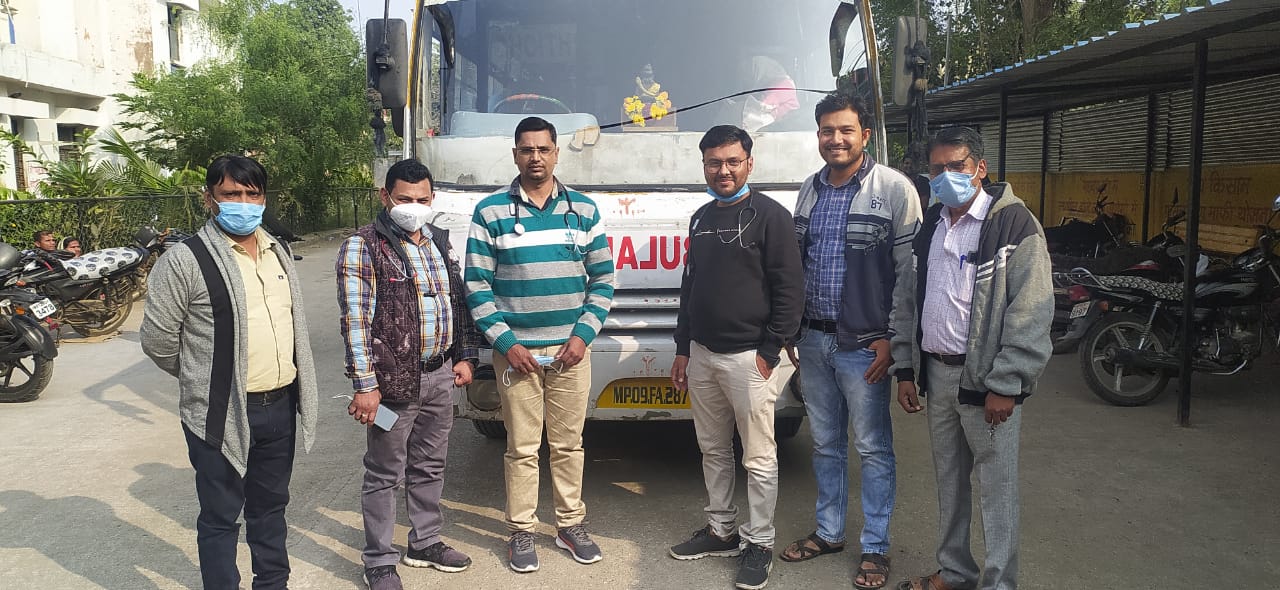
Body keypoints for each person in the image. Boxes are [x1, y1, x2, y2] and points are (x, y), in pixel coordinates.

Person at [140, 154, 319, 590]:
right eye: (230, 194)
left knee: (270, 509)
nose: (242, 203)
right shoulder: (185, 261)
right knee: (220, 517)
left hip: (279, 405)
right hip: (218, 413)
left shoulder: (278, 251)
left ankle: (273, 583)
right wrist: (205, 376)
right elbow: (158, 341)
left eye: (251, 194)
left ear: (264, 199)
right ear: (210, 199)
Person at [893, 127, 1053, 590]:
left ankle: (999, 584)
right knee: (949, 481)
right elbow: (908, 299)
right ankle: (956, 572)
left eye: (956, 166)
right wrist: (906, 369)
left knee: (996, 489)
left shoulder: (1013, 225)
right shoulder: (931, 224)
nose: (946, 176)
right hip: (937, 373)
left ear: (980, 168)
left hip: (986, 380)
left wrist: (1008, 383)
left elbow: (1032, 310)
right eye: (936, 169)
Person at [780, 93, 922, 590]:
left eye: (846, 130)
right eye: (827, 130)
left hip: (866, 345)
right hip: (814, 340)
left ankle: (876, 547)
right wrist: (792, 327)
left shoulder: (895, 190)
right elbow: (798, 263)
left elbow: (908, 275)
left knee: (873, 447)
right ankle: (829, 532)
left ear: (865, 135)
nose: (835, 139)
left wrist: (894, 341)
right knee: (825, 443)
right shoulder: (810, 189)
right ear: (818, 135)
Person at [464, 116, 615, 573]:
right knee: (522, 448)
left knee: (569, 445)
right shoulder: (490, 212)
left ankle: (570, 524)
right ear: (515, 155)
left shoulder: (583, 210)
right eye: (527, 150)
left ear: (555, 153)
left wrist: (582, 337)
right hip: (518, 357)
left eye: (543, 149)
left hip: (570, 354)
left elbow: (603, 281)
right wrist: (507, 344)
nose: (535, 158)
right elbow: (477, 286)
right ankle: (521, 531)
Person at [668, 125, 804, 590]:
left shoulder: (771, 217)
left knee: (759, 456)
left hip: (750, 359)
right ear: (704, 165)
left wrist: (769, 351)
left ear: (749, 163)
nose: (722, 170)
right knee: (712, 449)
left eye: (732, 161)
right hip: (703, 355)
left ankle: (759, 542)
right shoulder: (701, 218)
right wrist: (683, 348)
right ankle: (721, 530)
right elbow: (690, 287)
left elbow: (790, 289)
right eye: (714, 162)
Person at [337, 159, 483, 589]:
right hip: (391, 385)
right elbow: (356, 322)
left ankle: (425, 541)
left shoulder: (440, 241)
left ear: (432, 198)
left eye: (422, 200)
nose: (413, 208)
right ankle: (380, 560)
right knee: (385, 473)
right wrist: (365, 386)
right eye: (404, 199)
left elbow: (458, 302)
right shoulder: (364, 246)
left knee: (431, 465)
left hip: (440, 374)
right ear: (385, 197)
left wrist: (466, 356)